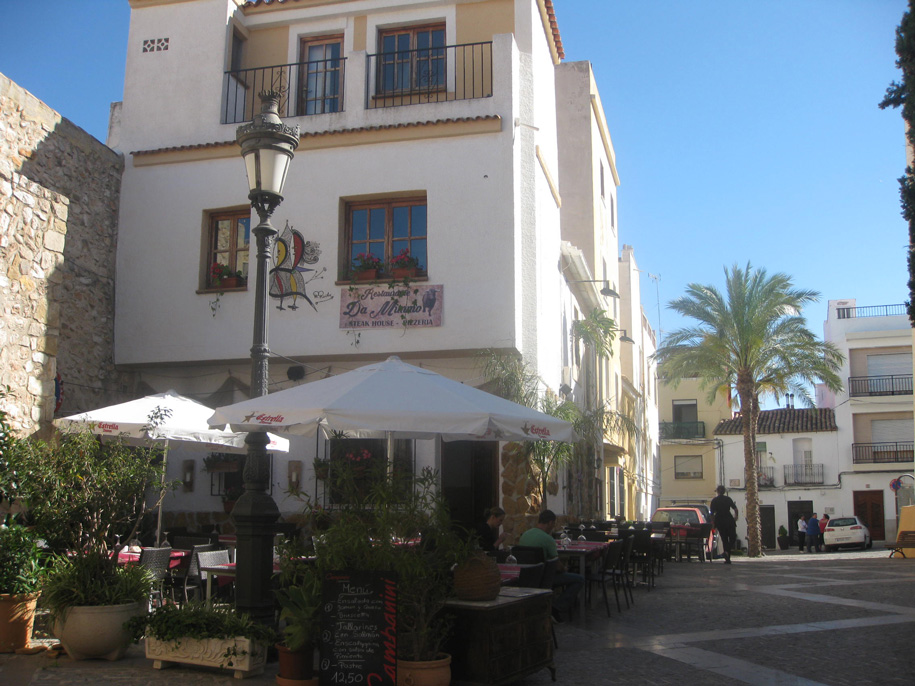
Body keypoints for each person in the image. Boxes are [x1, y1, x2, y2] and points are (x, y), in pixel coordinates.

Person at [519, 509, 584, 621]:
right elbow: (556, 565)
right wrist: (564, 568)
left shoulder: (524, 535)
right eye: (553, 524)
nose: (553, 527)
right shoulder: (548, 539)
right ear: (550, 523)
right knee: (579, 579)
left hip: (525, 577)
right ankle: (557, 608)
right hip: (544, 579)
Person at [709, 485, 739, 563]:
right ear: (724, 491)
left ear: (718, 491)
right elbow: (735, 509)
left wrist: (713, 523)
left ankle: (727, 556)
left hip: (719, 521)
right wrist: (736, 517)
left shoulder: (714, 500)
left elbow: (711, 514)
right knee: (733, 537)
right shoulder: (728, 499)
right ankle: (727, 555)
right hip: (729, 520)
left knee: (724, 539)